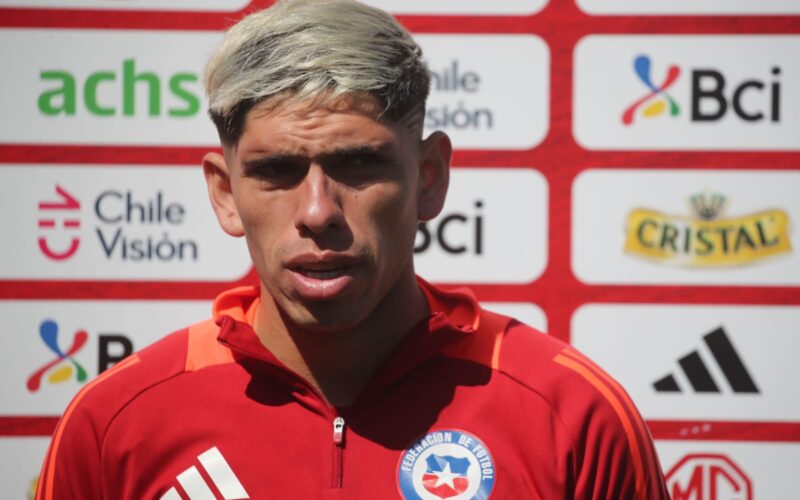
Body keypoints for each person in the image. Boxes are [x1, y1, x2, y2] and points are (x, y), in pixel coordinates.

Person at [35, 0, 669, 498]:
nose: (317, 212)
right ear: (225, 194)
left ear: (430, 178)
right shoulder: (115, 424)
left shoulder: (574, 417)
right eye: (278, 171)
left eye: (359, 165)